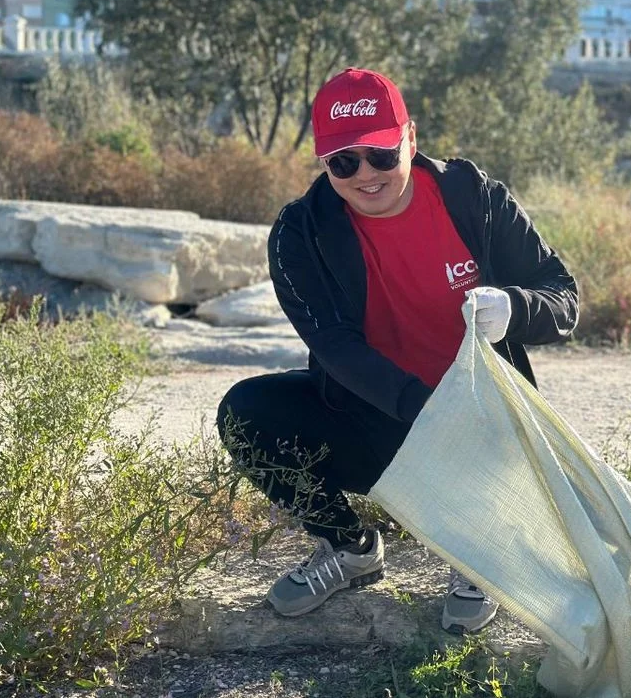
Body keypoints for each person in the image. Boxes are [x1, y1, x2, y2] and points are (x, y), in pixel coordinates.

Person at [217, 67, 578, 634]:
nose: (366, 175)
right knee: (246, 412)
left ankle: (480, 556)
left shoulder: (474, 199)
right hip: (384, 415)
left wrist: (515, 305)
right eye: (344, 162)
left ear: (410, 137)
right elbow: (335, 348)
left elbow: (564, 298)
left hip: (484, 424)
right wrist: (423, 411)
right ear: (324, 163)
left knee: (504, 464)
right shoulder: (300, 233)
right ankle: (351, 548)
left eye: (382, 155)